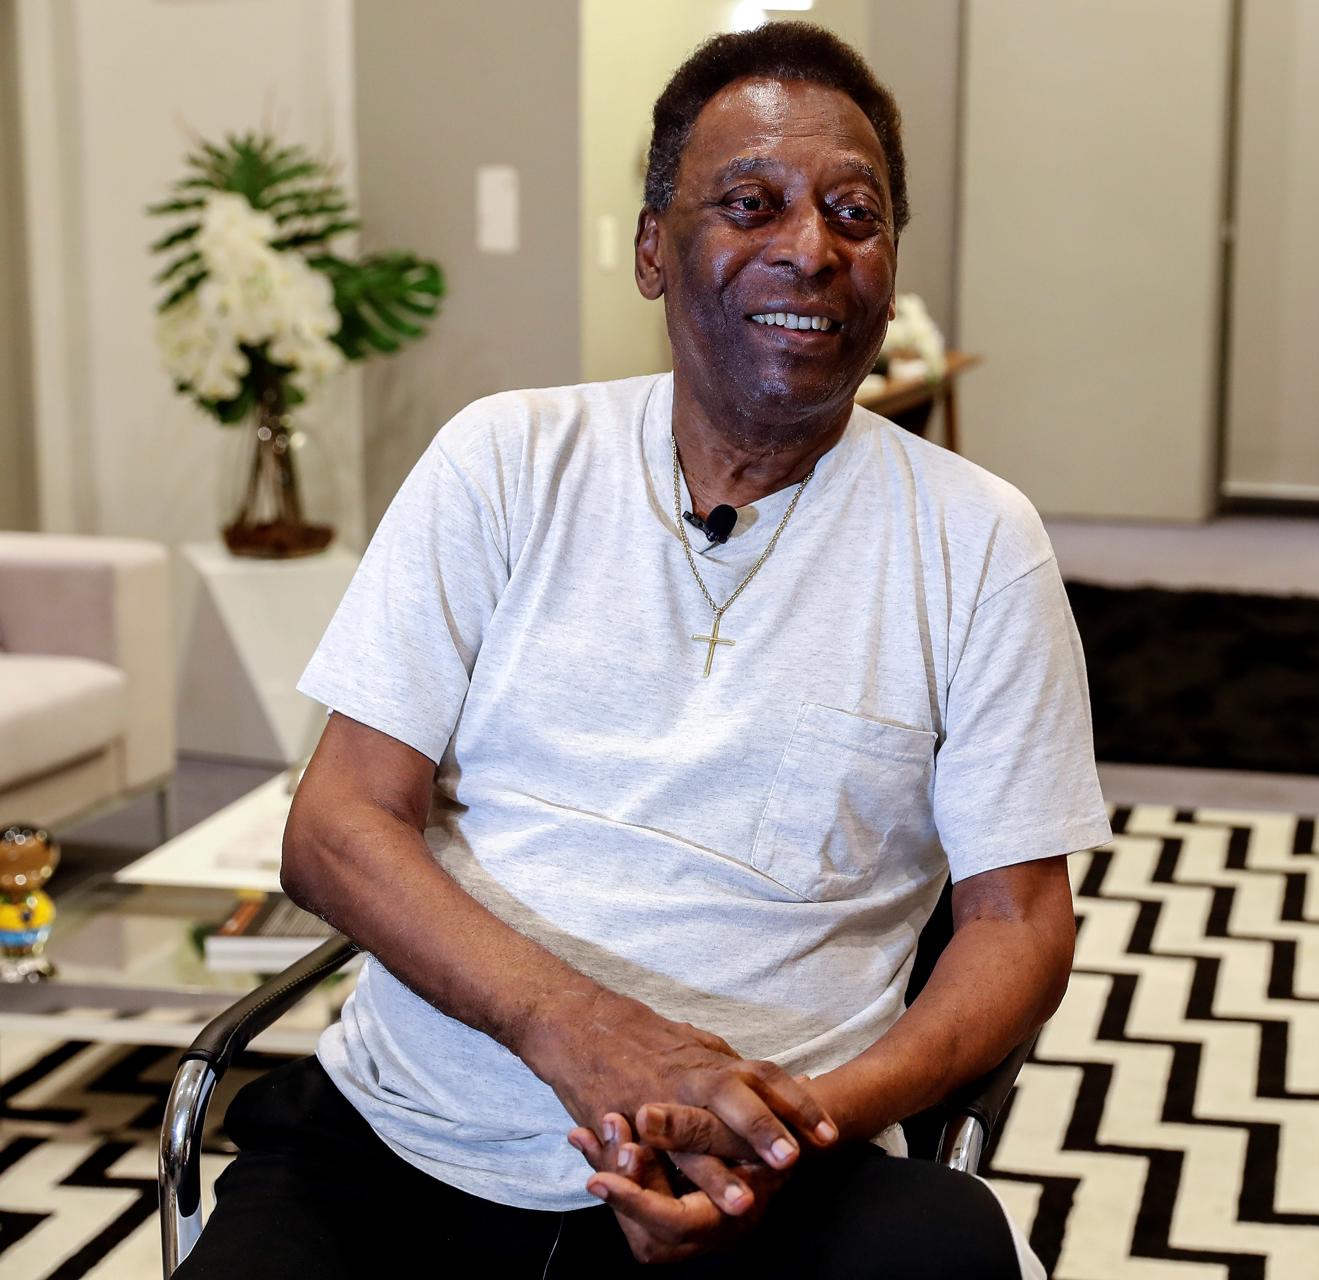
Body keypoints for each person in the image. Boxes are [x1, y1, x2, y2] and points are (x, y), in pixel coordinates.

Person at [176, 23, 1106, 1278]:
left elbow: (1019, 922)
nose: (811, 247)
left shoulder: (979, 541)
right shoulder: (504, 462)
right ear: (652, 249)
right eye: (751, 203)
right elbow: (337, 823)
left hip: (788, 1163)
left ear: (891, 270)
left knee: (951, 1254)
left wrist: (791, 1129)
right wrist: (585, 1033)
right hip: (412, 1140)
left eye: (855, 212)